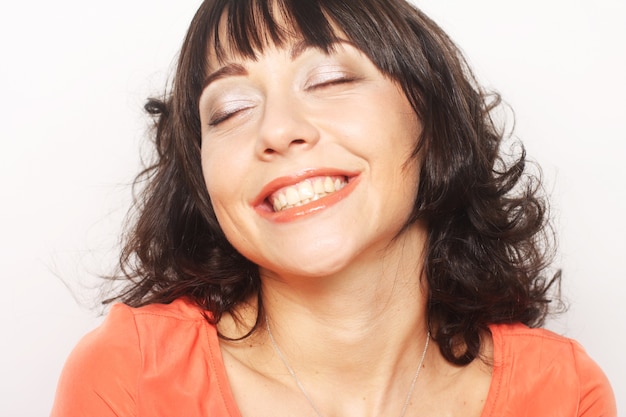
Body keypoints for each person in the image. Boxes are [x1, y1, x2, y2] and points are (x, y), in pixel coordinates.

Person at [51, 0, 616, 416]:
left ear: (433, 118)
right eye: (229, 110)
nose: (276, 130)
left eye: (329, 78)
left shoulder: (562, 393)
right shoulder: (132, 378)